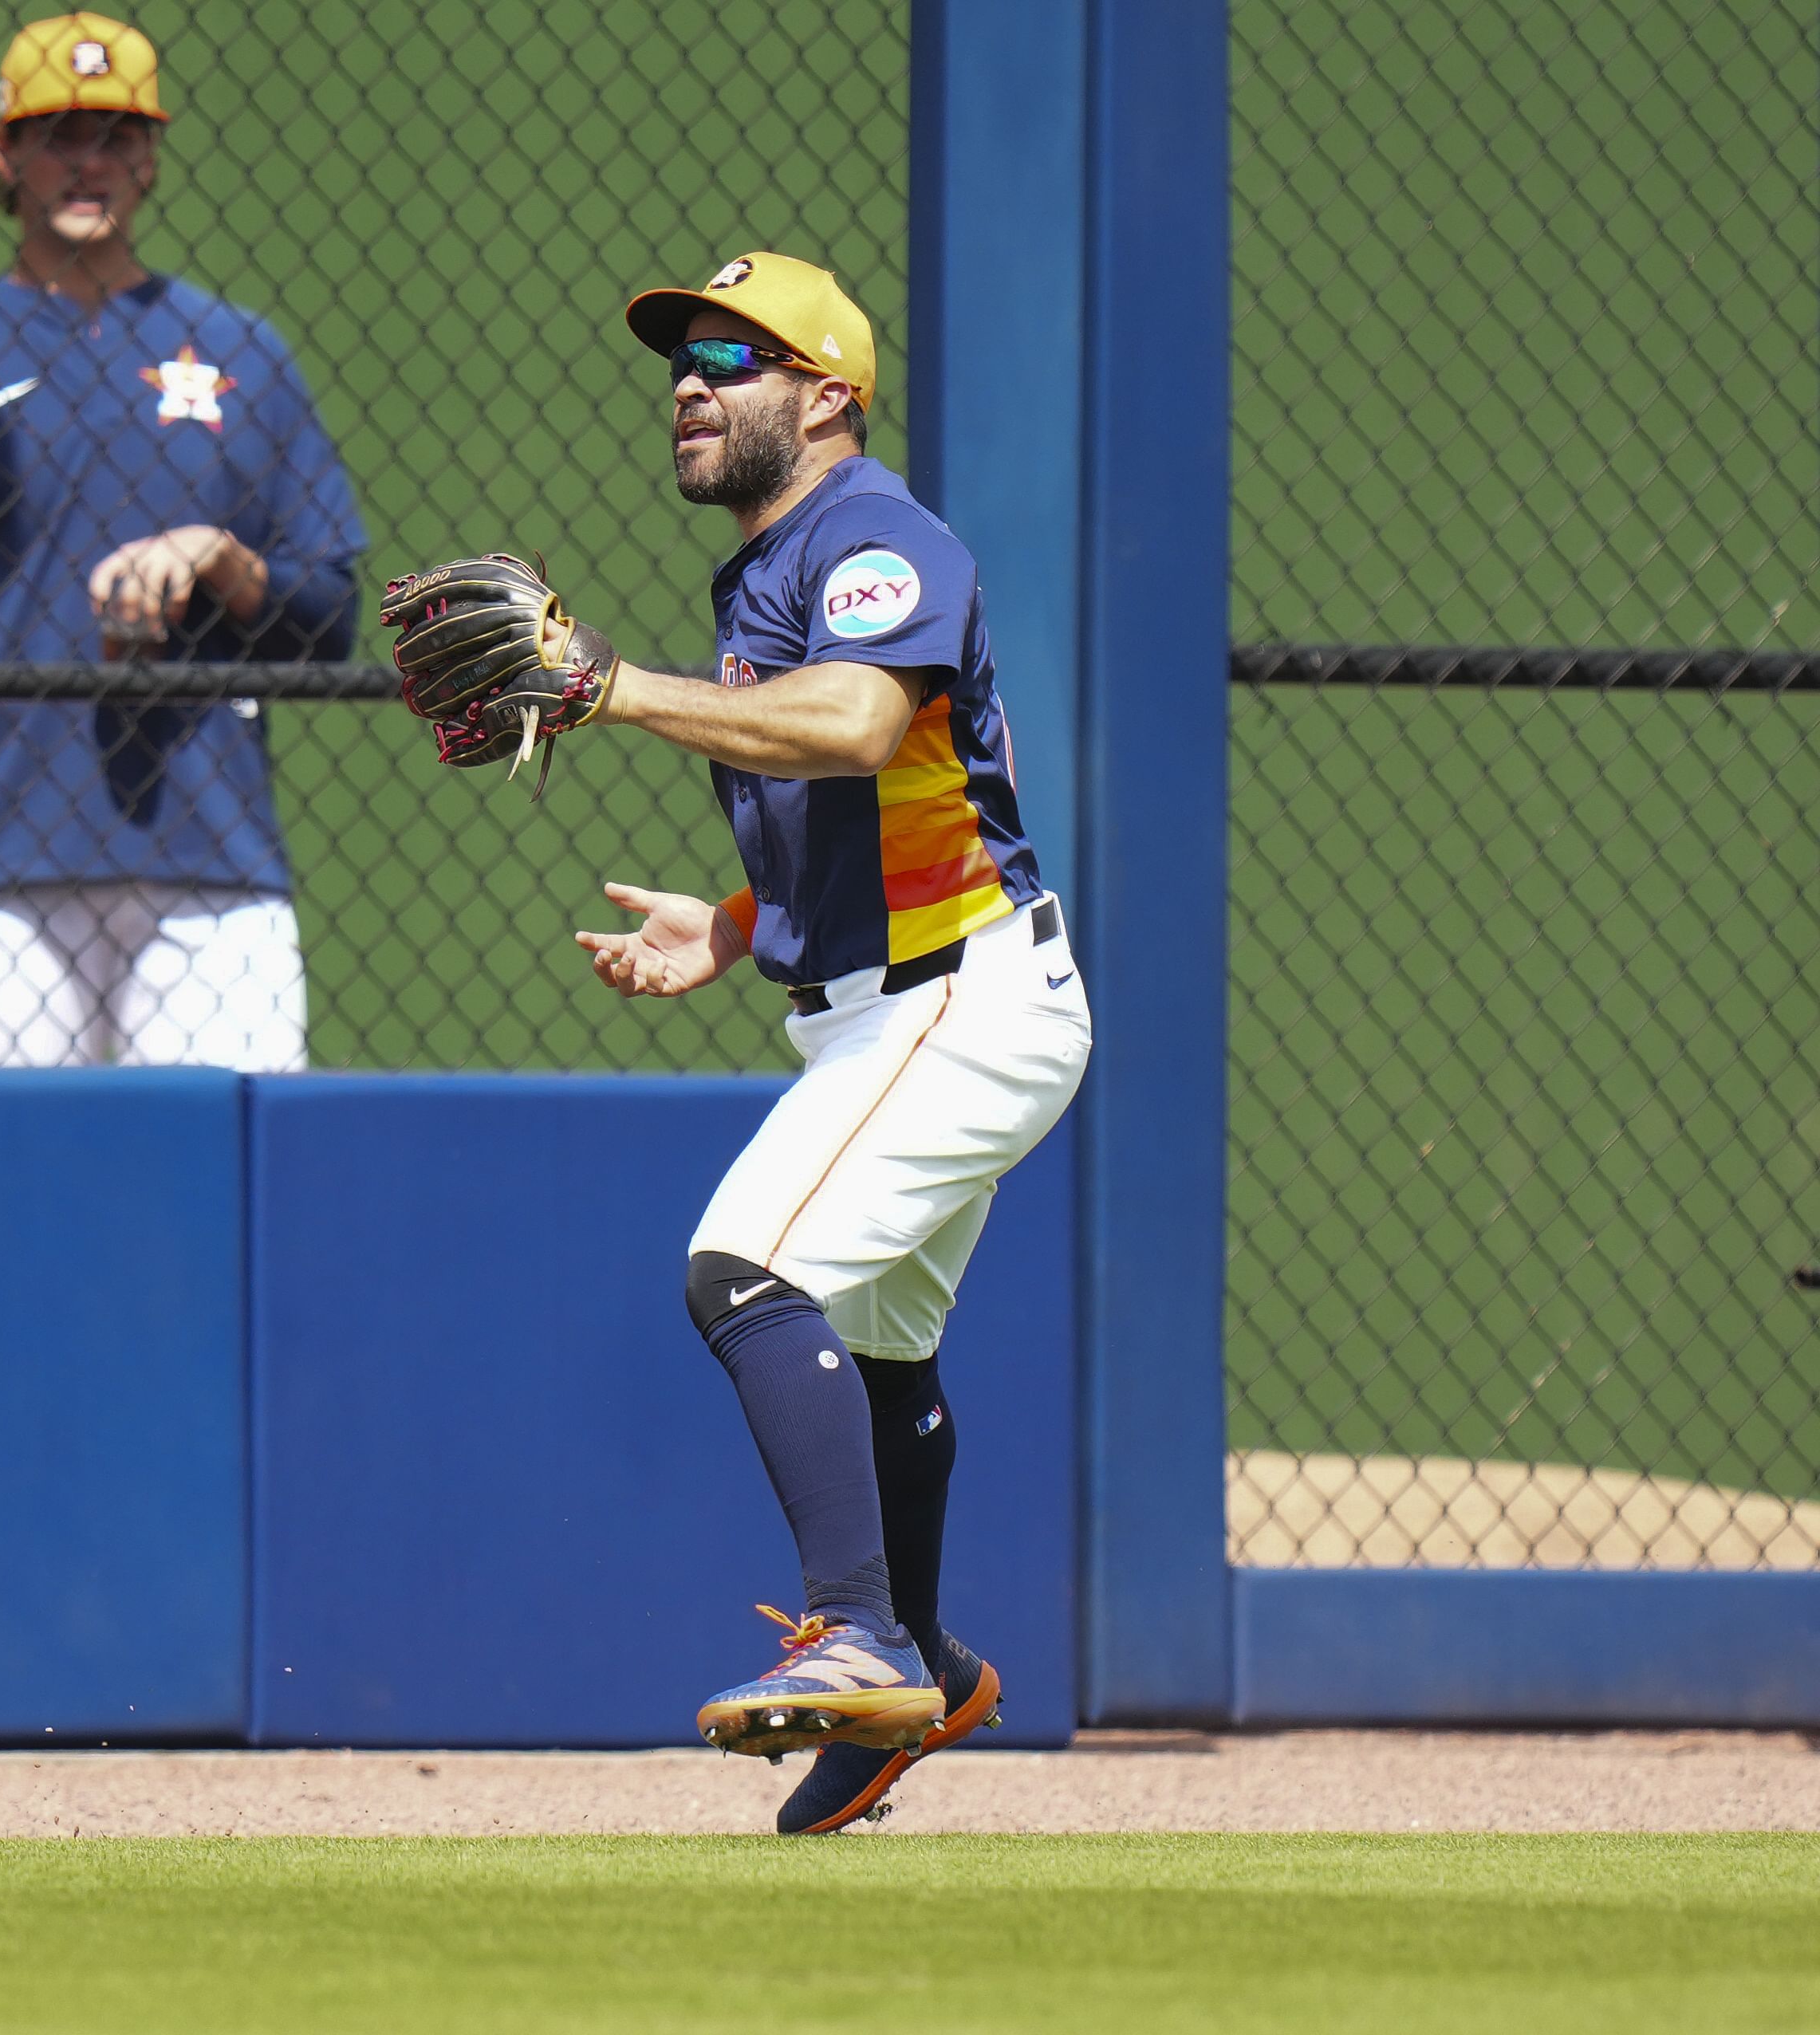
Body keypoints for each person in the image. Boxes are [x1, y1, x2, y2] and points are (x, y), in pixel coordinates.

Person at [380, 254, 1091, 1834]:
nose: (688, 380)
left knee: (746, 1268)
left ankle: (859, 1637)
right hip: (884, 1003)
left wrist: (612, 687)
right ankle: (928, 1670)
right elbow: (861, 802)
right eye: (678, 356)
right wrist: (734, 919)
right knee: (885, 1347)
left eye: (732, 354)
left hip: (961, 1000)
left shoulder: (872, 537)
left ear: (826, 395)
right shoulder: (767, 573)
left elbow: (853, 725)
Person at [0, 11, 364, 1069]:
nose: (90, 161)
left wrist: (219, 557)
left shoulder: (242, 355)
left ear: (151, 157)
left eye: (118, 136)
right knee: (17, 1204)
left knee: (219, 1192)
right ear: (6, 156)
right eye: (59, 135)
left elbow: (329, 622)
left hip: (210, 869)